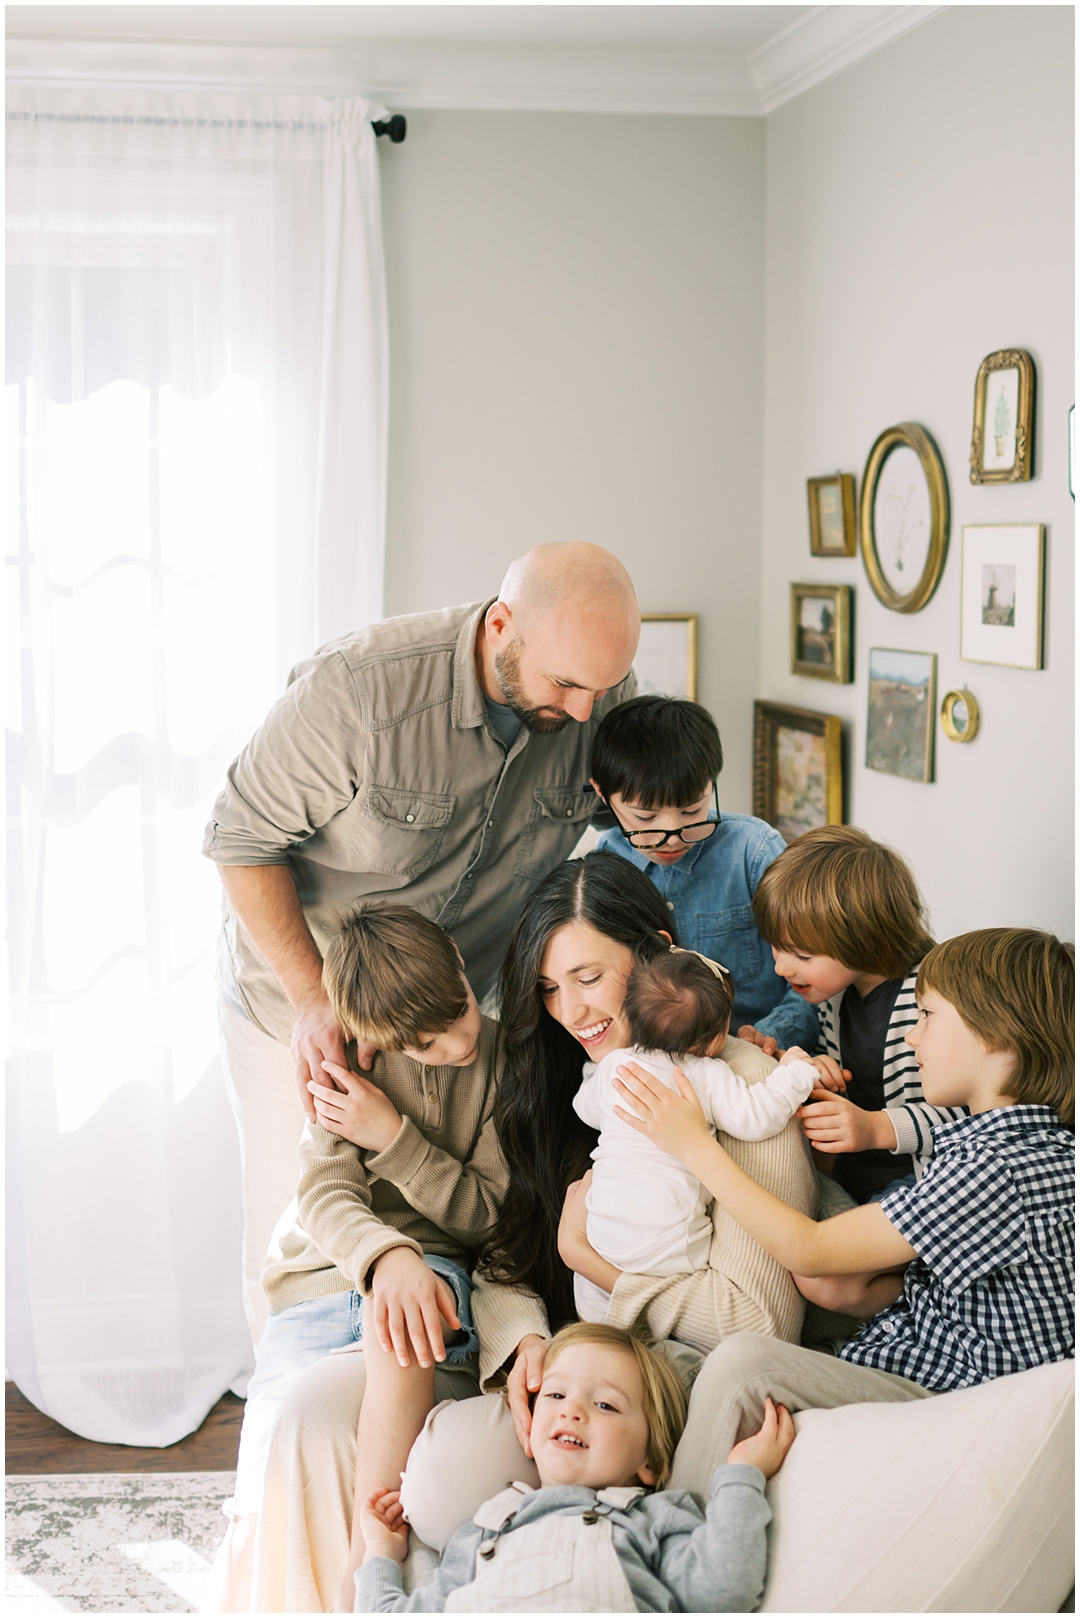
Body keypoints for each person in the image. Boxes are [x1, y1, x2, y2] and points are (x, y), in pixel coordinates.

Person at [237, 854, 816, 1610]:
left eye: (588, 976)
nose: (571, 1011)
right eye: (549, 988)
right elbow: (506, 1252)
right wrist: (523, 1347)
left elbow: (758, 1322)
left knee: (440, 1479)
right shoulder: (567, 1083)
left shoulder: (740, 1090)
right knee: (312, 1417)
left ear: (656, 953)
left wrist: (592, 1262)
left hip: (654, 1379)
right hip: (563, 1367)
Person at [202, 542, 639, 1341]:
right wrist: (314, 1004)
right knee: (290, 1224)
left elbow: (639, 832)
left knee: (447, 1224)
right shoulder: (360, 693)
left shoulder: (597, 697)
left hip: (460, 1009)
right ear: (501, 625)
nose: (586, 713)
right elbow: (239, 840)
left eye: (604, 688)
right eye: (567, 685)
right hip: (299, 999)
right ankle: (279, 1405)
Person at [609, 925, 1075, 1479]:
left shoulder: (995, 1167)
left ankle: (678, 1534)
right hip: (925, 1346)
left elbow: (808, 1251)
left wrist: (690, 1145)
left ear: (997, 1033)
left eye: (927, 1016)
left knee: (742, 1364)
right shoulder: (1014, 1146)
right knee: (683, 1362)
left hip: (957, 1392)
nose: (911, 1038)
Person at [207, 904, 508, 1614]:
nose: (453, 1043)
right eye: (425, 1045)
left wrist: (396, 1138)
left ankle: (360, 1577)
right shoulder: (348, 1057)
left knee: (398, 1316)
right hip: (324, 1281)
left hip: (437, 1273)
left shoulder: (507, 1062)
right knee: (274, 1450)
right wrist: (383, 1254)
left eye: (458, 1015)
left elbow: (494, 1214)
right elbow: (325, 1191)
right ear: (377, 1039)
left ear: (464, 970)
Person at [355, 1323, 795, 1614]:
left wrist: (741, 1475)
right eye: (555, 1395)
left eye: (605, 1404)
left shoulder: (654, 1518)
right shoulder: (481, 1531)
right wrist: (381, 1552)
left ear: (651, 1462)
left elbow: (721, 1592)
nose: (573, 1412)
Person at [752, 823, 969, 1312]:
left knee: (821, 1279)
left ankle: (932, 1299)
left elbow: (974, 1120)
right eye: (776, 946)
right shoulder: (835, 993)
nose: (780, 968)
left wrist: (874, 1128)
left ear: (864, 939)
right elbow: (848, 1085)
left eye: (801, 955)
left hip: (920, 1187)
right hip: (858, 1177)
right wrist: (822, 1073)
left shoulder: (933, 997)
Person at [571, 945, 828, 1323]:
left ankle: (601, 1334)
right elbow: (758, 1117)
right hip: (670, 1250)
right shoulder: (705, 1075)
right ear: (712, 1042)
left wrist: (594, 1075)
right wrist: (797, 1070)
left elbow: (584, 1108)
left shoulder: (615, 1066)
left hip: (602, 1235)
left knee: (593, 1305)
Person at [589, 695, 819, 1053]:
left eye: (692, 810)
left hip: (764, 1053)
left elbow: (818, 969)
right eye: (645, 818)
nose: (673, 835)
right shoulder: (604, 868)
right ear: (604, 795)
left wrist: (772, 1033)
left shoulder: (754, 852)